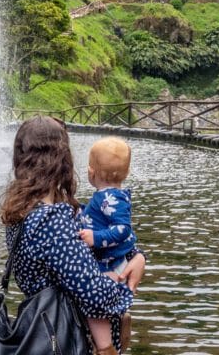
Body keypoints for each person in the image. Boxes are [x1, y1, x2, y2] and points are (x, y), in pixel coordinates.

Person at [0, 117, 144, 355]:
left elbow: (96, 244)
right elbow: (96, 295)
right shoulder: (51, 220)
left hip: (43, 329)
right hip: (68, 341)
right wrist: (119, 278)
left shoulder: (23, 209)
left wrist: (138, 257)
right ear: (62, 160)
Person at [79, 137, 138, 348]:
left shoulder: (112, 198)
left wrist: (96, 238)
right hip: (108, 259)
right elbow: (98, 218)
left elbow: (123, 229)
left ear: (91, 172)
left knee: (95, 307)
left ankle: (106, 348)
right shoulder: (105, 196)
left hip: (112, 262)